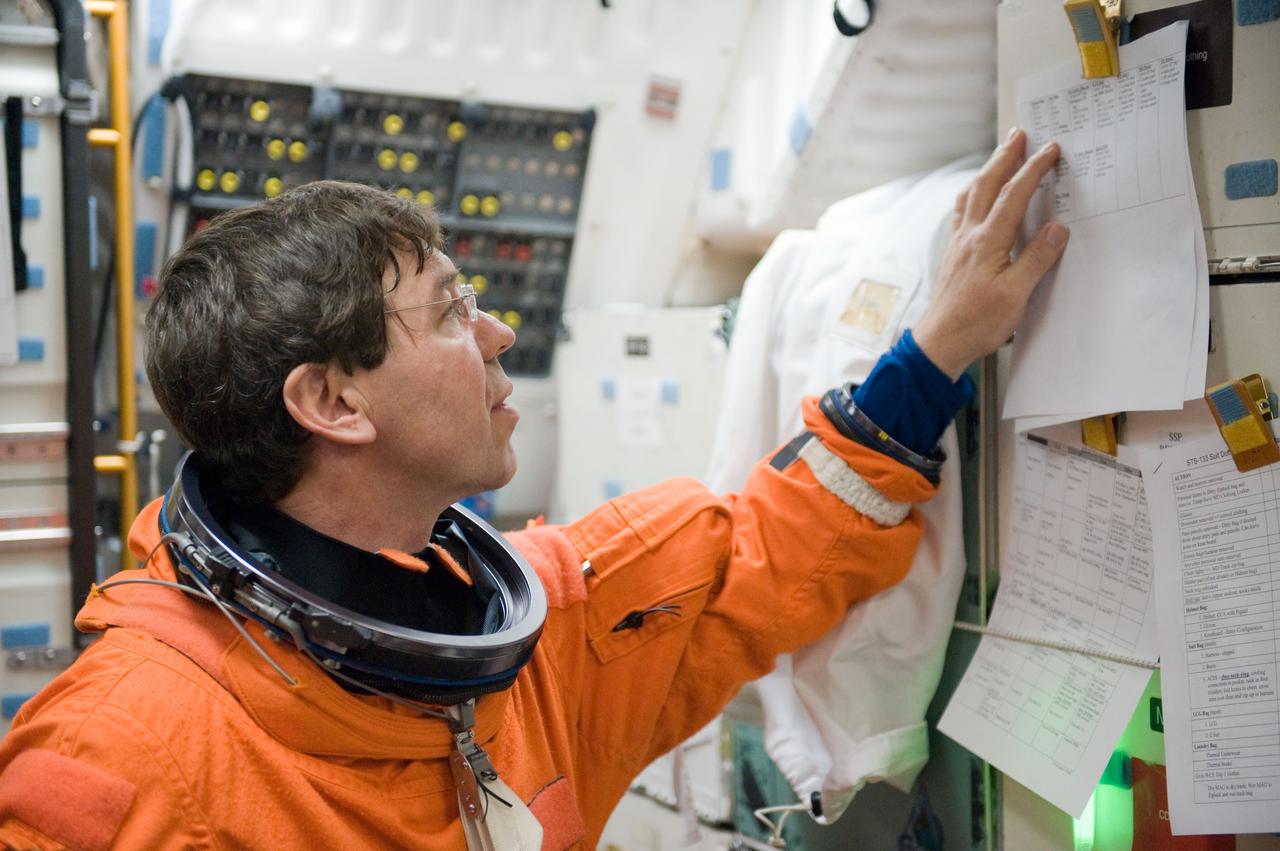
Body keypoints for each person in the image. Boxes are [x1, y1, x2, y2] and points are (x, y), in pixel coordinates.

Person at [0, 130, 1066, 850]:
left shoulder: (540, 636)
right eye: (452, 308)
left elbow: (762, 551)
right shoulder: (120, 754)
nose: (500, 331)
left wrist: (935, 351)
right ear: (332, 401)